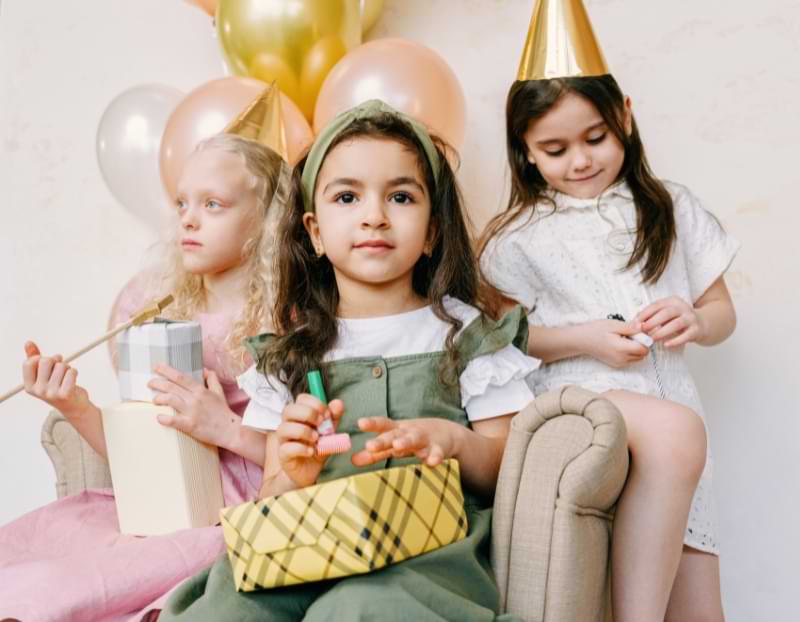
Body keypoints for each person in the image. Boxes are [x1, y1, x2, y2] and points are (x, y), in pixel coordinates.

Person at [160, 99, 539, 622]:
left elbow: (507, 465)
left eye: (400, 197)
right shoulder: (289, 353)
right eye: (347, 197)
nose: (374, 216)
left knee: (357, 608)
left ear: (432, 231)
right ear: (315, 231)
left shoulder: (466, 335)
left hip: (418, 560)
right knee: (226, 610)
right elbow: (272, 491)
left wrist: (454, 441)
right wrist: (292, 474)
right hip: (304, 552)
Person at [479, 2, 739, 620]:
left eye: (595, 138)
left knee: (702, 611)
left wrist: (696, 321)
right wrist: (585, 339)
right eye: (555, 148)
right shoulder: (518, 236)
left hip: (676, 424)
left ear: (624, 115)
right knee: (673, 438)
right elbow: (504, 339)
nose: (580, 161)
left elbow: (721, 312)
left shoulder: (669, 208)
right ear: (525, 151)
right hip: (585, 408)